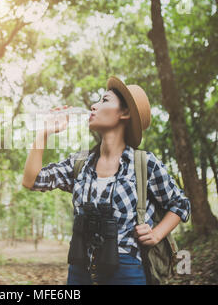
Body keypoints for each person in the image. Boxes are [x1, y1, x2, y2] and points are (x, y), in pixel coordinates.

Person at [21, 76, 191, 285]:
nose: (93, 106)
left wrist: (156, 234)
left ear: (125, 112)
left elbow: (181, 204)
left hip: (127, 271)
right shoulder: (80, 163)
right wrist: (43, 133)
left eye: (104, 100)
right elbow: (32, 180)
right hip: (79, 269)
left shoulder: (144, 163)